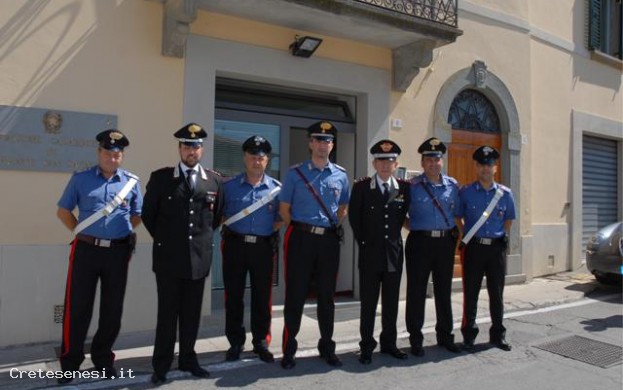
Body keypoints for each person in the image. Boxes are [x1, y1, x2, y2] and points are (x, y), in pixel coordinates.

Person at [56, 129, 142, 384]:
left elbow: (137, 215)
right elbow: (63, 212)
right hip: (86, 251)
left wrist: (118, 234)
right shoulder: (81, 179)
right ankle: (70, 363)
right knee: (77, 307)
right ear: (99, 153)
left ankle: (103, 360)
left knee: (112, 309)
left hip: (117, 252)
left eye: (117, 154)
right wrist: (83, 233)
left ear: (122, 156)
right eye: (107, 152)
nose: (112, 157)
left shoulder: (131, 182)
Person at [142, 123, 224, 385]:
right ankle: (161, 364)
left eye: (197, 146)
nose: (192, 150)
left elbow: (216, 218)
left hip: (198, 260)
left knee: (191, 314)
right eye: (188, 145)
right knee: (167, 315)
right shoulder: (162, 178)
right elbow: (148, 216)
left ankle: (188, 359)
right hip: (168, 260)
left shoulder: (213, 180)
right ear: (179, 148)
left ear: (202, 150)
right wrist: (168, 241)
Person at [278, 120, 350, 369]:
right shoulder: (295, 173)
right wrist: (303, 228)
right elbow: (284, 209)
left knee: (327, 296)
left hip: (328, 240)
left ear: (332, 145)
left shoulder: (340, 174)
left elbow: (342, 209)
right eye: (318, 140)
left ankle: (327, 346)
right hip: (301, 238)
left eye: (327, 140)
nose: (323, 145)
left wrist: (324, 228)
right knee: (295, 294)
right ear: (310, 143)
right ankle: (289, 349)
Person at [221, 135, 282, 363]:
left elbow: (279, 219)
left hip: (263, 248)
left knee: (262, 296)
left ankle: (261, 342)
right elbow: (221, 215)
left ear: (267, 161)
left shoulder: (276, 189)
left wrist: (262, 234)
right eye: (252, 156)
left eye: (261, 157)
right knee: (233, 296)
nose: (257, 161)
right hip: (235, 246)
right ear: (244, 158)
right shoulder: (228, 187)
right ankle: (235, 342)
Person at [349, 140, 410, 365]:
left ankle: (389, 343)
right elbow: (355, 219)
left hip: (393, 255)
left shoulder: (404, 188)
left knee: (392, 302)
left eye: (390, 161)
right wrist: (365, 243)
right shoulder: (362, 187)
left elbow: (402, 216)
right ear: (374, 163)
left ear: (396, 164)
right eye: (381, 161)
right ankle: (366, 346)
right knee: (368, 304)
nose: (386, 165)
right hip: (370, 254)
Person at [405, 137, 462, 357]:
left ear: (442, 161)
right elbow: (402, 215)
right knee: (417, 291)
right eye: (428, 159)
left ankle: (445, 336)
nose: (433, 163)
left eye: (437, 159)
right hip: (420, 242)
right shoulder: (412, 186)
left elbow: (457, 214)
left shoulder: (453, 186)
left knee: (443, 291)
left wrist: (457, 238)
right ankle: (416, 339)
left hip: (445, 243)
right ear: (422, 162)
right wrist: (417, 228)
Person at [458, 146, 515, 352]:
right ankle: (469, 336)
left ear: (495, 168)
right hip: (474, 249)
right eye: (481, 165)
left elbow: (508, 221)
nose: (485, 168)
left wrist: (497, 238)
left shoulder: (505, 194)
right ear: (476, 167)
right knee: (470, 293)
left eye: (489, 165)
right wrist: (466, 232)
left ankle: (498, 334)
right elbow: (457, 216)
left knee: (496, 293)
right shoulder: (465, 192)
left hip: (496, 250)